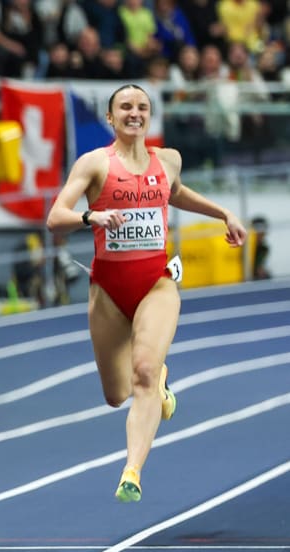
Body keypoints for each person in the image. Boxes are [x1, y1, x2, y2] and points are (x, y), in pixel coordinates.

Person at [46, 84, 247, 504]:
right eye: (125, 107)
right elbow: (55, 218)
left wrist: (224, 212)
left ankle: (131, 471)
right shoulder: (95, 163)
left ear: (149, 116)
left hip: (157, 282)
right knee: (116, 394)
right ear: (111, 117)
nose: (134, 113)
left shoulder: (167, 159)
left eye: (142, 107)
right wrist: (91, 215)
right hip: (108, 288)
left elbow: (176, 192)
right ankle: (160, 382)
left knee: (142, 372)